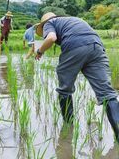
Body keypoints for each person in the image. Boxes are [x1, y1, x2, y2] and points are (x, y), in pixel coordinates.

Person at [34, 12, 119, 142]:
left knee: (64, 89)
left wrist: (40, 51)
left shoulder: (49, 23)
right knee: (107, 94)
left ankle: (68, 129)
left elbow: (51, 38)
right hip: (97, 47)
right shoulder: (73, 19)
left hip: (75, 47)